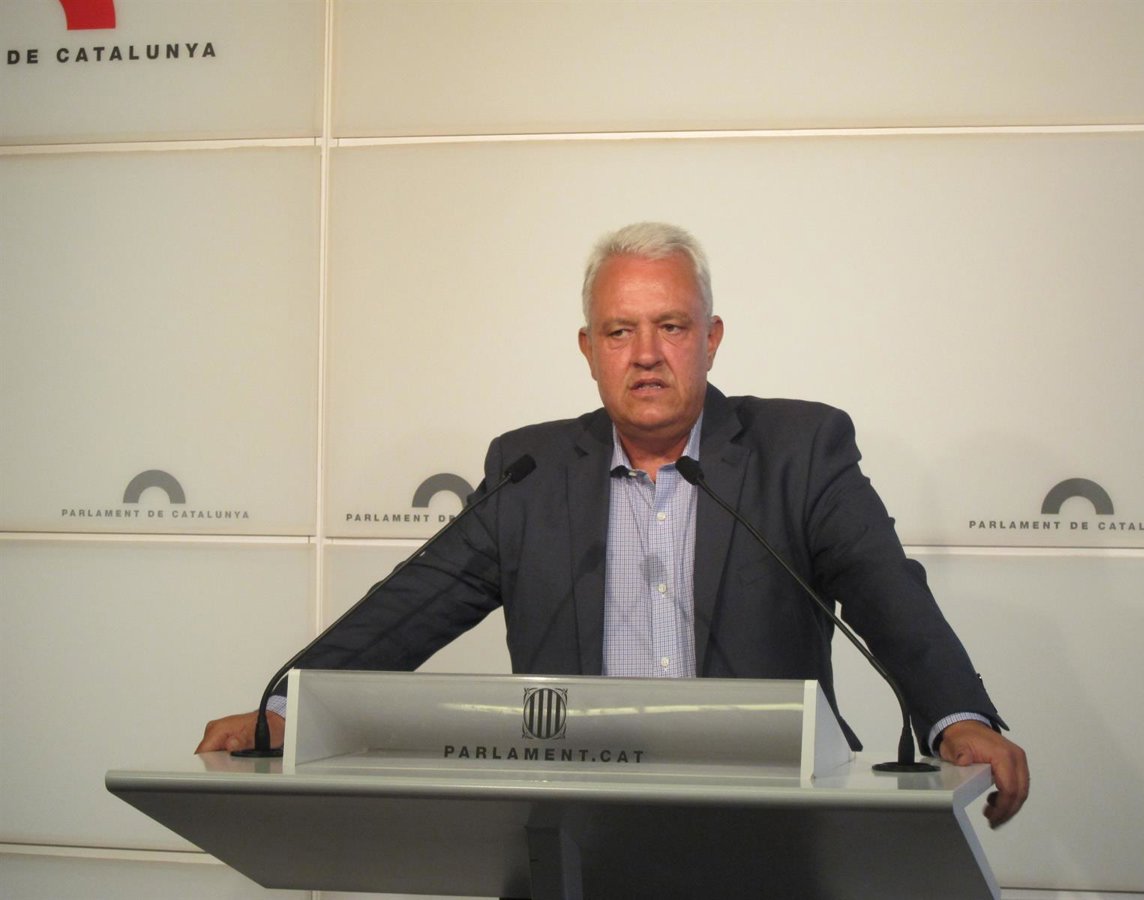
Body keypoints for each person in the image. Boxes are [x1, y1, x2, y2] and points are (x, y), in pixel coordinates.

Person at [198, 222, 1029, 827]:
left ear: (711, 339)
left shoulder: (798, 450)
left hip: (774, 825)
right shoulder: (530, 471)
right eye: (620, 331)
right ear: (588, 348)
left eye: (671, 327)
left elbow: (887, 592)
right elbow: (415, 603)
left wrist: (957, 717)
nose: (646, 353)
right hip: (579, 829)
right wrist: (287, 707)